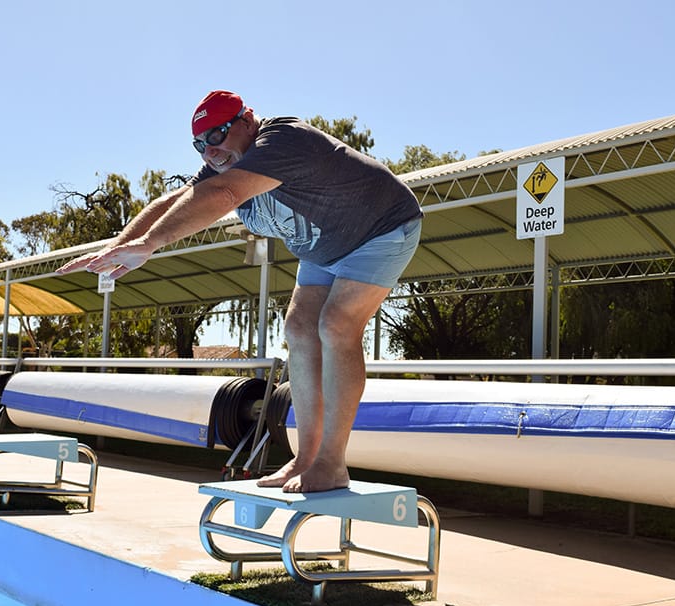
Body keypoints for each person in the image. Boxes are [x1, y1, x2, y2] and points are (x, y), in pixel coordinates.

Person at [59, 90, 422, 492]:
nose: (209, 153)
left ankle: (332, 464)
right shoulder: (222, 165)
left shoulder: (284, 140)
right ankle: (304, 460)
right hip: (323, 247)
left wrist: (150, 245)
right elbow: (174, 199)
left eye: (216, 136)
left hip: (380, 227)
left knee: (336, 325)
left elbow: (224, 196)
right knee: (300, 329)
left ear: (247, 119)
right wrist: (116, 247)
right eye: (199, 145)